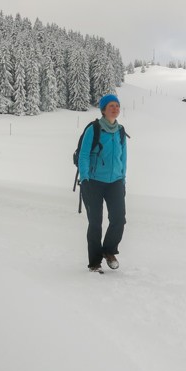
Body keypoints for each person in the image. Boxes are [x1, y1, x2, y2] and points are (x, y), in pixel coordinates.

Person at [78, 94, 128, 273]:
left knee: (119, 219)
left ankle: (108, 250)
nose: (115, 108)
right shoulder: (94, 129)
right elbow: (84, 155)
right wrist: (85, 178)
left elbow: (124, 158)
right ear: (103, 109)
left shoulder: (121, 130)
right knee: (95, 223)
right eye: (111, 106)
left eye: (117, 105)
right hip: (93, 182)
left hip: (115, 182)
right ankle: (94, 263)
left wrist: (123, 180)